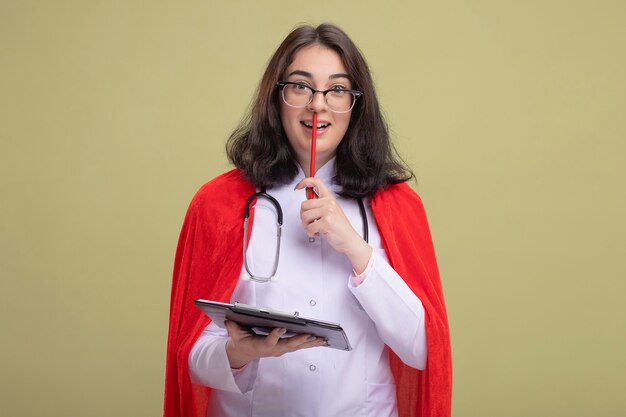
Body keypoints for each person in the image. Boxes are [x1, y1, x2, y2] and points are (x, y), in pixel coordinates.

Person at [164, 23, 452, 417]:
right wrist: (238, 352)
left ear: (355, 104)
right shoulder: (218, 205)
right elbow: (189, 358)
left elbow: (424, 351)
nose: (318, 105)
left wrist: (355, 247)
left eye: (336, 89)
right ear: (277, 97)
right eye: (300, 86)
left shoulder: (397, 206)